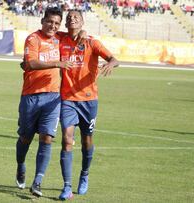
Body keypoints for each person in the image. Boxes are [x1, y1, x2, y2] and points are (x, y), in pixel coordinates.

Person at [58, 9, 119, 200]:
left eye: (76, 17)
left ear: (83, 22)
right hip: (67, 99)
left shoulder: (92, 42)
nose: (72, 19)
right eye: (69, 18)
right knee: (67, 140)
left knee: (86, 141)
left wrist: (110, 64)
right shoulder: (60, 40)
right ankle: (67, 186)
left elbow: (114, 58)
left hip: (89, 100)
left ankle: (84, 174)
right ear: (65, 23)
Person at [15, 7, 74, 197]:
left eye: (57, 23)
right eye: (50, 21)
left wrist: (81, 32)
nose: (53, 26)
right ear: (42, 21)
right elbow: (30, 63)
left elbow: (76, 34)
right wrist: (57, 63)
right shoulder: (33, 39)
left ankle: (37, 182)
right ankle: (21, 165)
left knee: (47, 138)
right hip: (31, 96)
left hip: (53, 97)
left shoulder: (61, 38)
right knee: (25, 138)